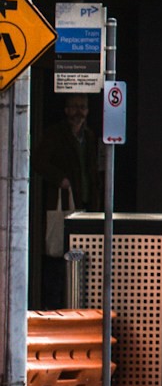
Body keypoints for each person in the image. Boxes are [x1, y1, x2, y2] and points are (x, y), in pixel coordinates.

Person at [32, 94, 101, 306]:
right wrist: (59, 178)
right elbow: (38, 162)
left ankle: (76, 303)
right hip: (62, 203)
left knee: (82, 254)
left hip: (85, 202)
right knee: (57, 256)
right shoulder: (55, 135)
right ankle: (52, 305)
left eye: (83, 107)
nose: (78, 112)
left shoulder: (89, 137)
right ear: (66, 110)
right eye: (74, 107)